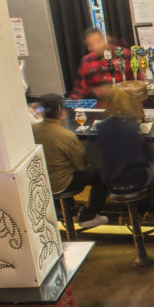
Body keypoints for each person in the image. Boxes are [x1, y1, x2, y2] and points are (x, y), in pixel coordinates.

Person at [32, 93, 108, 228]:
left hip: (40, 182)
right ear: (61, 111)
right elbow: (82, 166)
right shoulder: (65, 135)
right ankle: (88, 216)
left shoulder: (32, 130)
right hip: (62, 183)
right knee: (101, 175)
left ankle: (68, 210)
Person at [97, 87, 150, 192]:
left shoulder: (101, 127)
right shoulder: (133, 127)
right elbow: (146, 155)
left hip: (110, 181)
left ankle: (92, 208)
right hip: (136, 181)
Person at [71, 27, 131, 102]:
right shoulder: (86, 61)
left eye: (98, 41)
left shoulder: (124, 54)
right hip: (101, 106)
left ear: (106, 39)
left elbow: (137, 83)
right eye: (91, 44)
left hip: (126, 104)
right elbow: (80, 89)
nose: (96, 47)